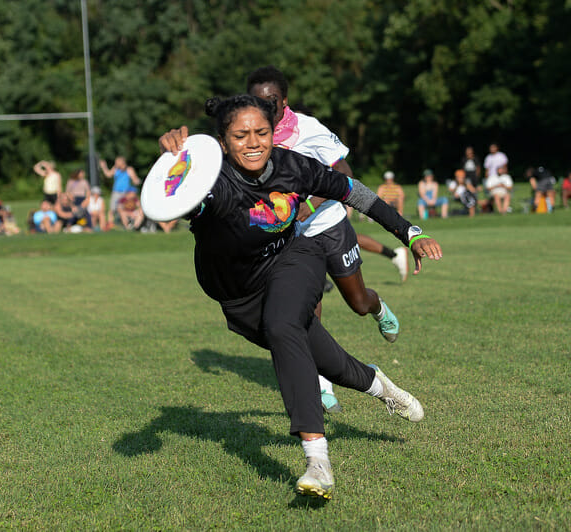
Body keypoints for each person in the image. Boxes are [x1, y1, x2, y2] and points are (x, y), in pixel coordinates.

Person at [158, 94, 442, 500]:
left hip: (297, 258)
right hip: (240, 298)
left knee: (283, 326)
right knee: (329, 361)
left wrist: (410, 232)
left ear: (274, 134)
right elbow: (169, 201)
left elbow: (354, 192)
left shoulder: (292, 166)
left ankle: (317, 461)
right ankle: (382, 386)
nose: (254, 142)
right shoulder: (211, 180)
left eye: (262, 132)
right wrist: (174, 160)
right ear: (222, 142)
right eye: (241, 135)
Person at [245, 66, 408, 412]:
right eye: (257, 103)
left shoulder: (308, 129)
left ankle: (377, 308)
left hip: (331, 228)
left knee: (357, 302)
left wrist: (309, 203)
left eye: (271, 102)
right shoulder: (249, 138)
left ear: (284, 102)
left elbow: (344, 174)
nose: (265, 109)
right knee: (307, 318)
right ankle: (322, 384)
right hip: (292, 242)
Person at [100, 156, 141, 227]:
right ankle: (110, 224)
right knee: (112, 209)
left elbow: (135, 179)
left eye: (117, 162)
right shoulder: (115, 169)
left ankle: (129, 223)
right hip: (116, 191)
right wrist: (104, 167)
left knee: (125, 208)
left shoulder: (129, 169)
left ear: (122, 162)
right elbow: (108, 174)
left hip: (126, 193)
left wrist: (137, 181)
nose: (115, 163)